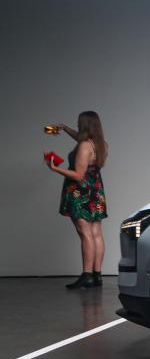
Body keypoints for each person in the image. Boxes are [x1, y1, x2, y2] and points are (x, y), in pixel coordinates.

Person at [45, 111, 109, 289]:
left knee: (85, 233)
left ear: (85, 125)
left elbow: (79, 175)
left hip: (80, 193)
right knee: (96, 232)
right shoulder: (101, 144)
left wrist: (54, 168)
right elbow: (82, 143)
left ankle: (86, 275)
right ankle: (97, 275)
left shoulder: (84, 147)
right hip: (96, 190)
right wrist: (65, 128)